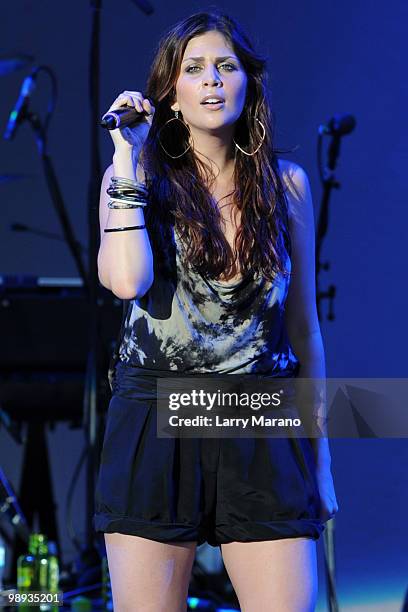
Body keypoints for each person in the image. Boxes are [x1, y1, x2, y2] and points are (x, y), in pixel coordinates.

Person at [93, 10, 338, 611]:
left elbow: (303, 328)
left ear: (248, 83)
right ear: (170, 94)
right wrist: (127, 159)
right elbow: (126, 280)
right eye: (194, 69)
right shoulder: (135, 177)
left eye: (226, 67)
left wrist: (321, 460)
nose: (212, 81)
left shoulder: (288, 186)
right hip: (156, 413)